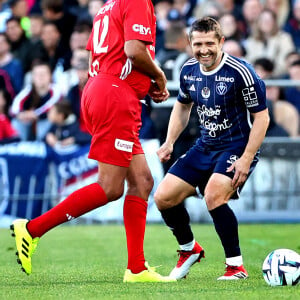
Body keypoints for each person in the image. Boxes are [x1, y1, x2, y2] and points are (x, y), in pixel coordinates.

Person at [10, 0, 175, 283]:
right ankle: (32, 229)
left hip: (101, 88)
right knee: (110, 187)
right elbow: (134, 51)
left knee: (143, 181)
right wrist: (159, 76)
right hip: (114, 94)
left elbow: (100, 58)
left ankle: (136, 268)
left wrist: (144, 86)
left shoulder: (107, 7)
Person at [154, 17, 270, 280]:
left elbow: (262, 118)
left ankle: (236, 267)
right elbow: (183, 106)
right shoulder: (188, 70)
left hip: (236, 146)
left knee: (214, 195)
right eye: (198, 44)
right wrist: (170, 141)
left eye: (209, 43)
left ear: (221, 42)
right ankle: (189, 250)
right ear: (189, 44)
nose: (203, 49)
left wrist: (246, 158)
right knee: (163, 197)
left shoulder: (241, 72)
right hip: (204, 145)